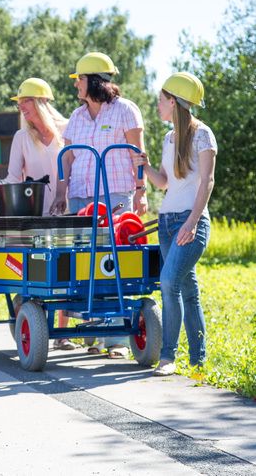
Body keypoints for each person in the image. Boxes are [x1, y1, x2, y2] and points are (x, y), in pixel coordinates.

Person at [49, 52, 148, 359]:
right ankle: (92, 334)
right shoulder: (77, 117)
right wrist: (60, 194)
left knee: (111, 264)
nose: (76, 85)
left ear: (93, 80)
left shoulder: (125, 110)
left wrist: (142, 191)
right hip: (81, 198)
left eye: (79, 79)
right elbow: (67, 159)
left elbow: (138, 155)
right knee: (84, 266)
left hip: (115, 197)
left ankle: (116, 340)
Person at [132, 73, 216, 376]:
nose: (157, 105)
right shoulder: (169, 138)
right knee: (188, 290)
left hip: (190, 223)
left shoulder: (203, 134)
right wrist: (146, 167)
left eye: (160, 100)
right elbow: (166, 182)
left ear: (173, 102)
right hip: (167, 223)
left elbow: (207, 181)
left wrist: (192, 222)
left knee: (168, 282)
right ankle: (198, 360)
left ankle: (168, 356)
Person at [7, 78, 77, 350]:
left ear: (42, 102)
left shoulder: (69, 129)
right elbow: (14, 177)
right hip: (35, 215)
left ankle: (62, 332)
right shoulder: (21, 137)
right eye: (20, 102)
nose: (22, 106)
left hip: (66, 210)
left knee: (67, 269)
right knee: (36, 270)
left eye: (26, 101)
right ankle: (27, 311)